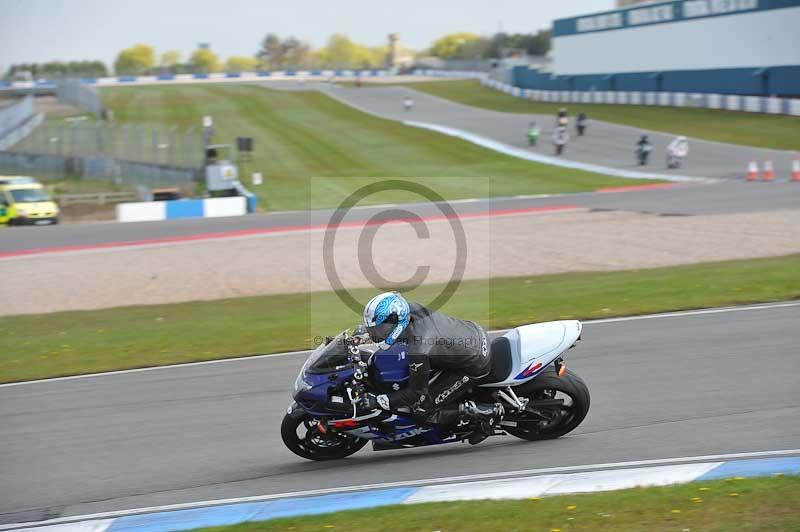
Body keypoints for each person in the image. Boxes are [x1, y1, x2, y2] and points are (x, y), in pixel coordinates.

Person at [361, 292, 504, 444]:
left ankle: (489, 413)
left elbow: (416, 393)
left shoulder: (418, 351)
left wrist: (380, 401)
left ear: (397, 321)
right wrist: (364, 334)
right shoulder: (412, 309)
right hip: (472, 332)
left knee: (422, 410)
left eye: (380, 330)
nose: (378, 334)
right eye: (375, 330)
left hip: (475, 363)